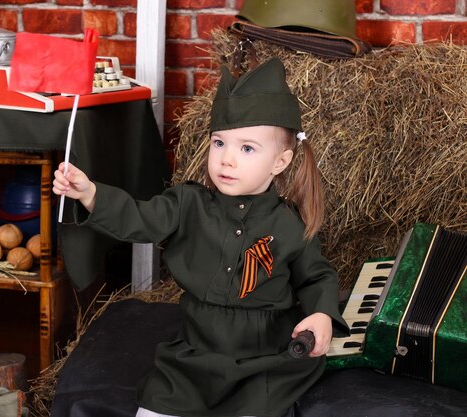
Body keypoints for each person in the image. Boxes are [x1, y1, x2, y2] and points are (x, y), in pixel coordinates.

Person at [53, 58, 349, 417]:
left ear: (280, 162)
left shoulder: (289, 224)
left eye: (247, 149)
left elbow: (316, 276)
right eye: (219, 143)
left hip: (264, 358)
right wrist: (91, 194)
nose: (227, 160)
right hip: (196, 352)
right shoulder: (187, 204)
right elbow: (140, 218)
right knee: (157, 407)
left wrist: (321, 315)